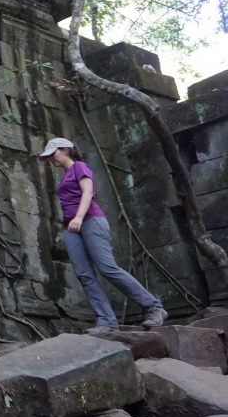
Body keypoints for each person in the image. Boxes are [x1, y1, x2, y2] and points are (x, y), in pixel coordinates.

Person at [39, 137, 167, 332]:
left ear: (65, 150)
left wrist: (79, 218)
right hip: (72, 228)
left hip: (90, 221)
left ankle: (154, 307)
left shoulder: (79, 167)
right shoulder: (65, 175)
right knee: (84, 274)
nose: (50, 159)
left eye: (52, 154)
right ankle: (106, 320)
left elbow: (88, 193)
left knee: (107, 268)